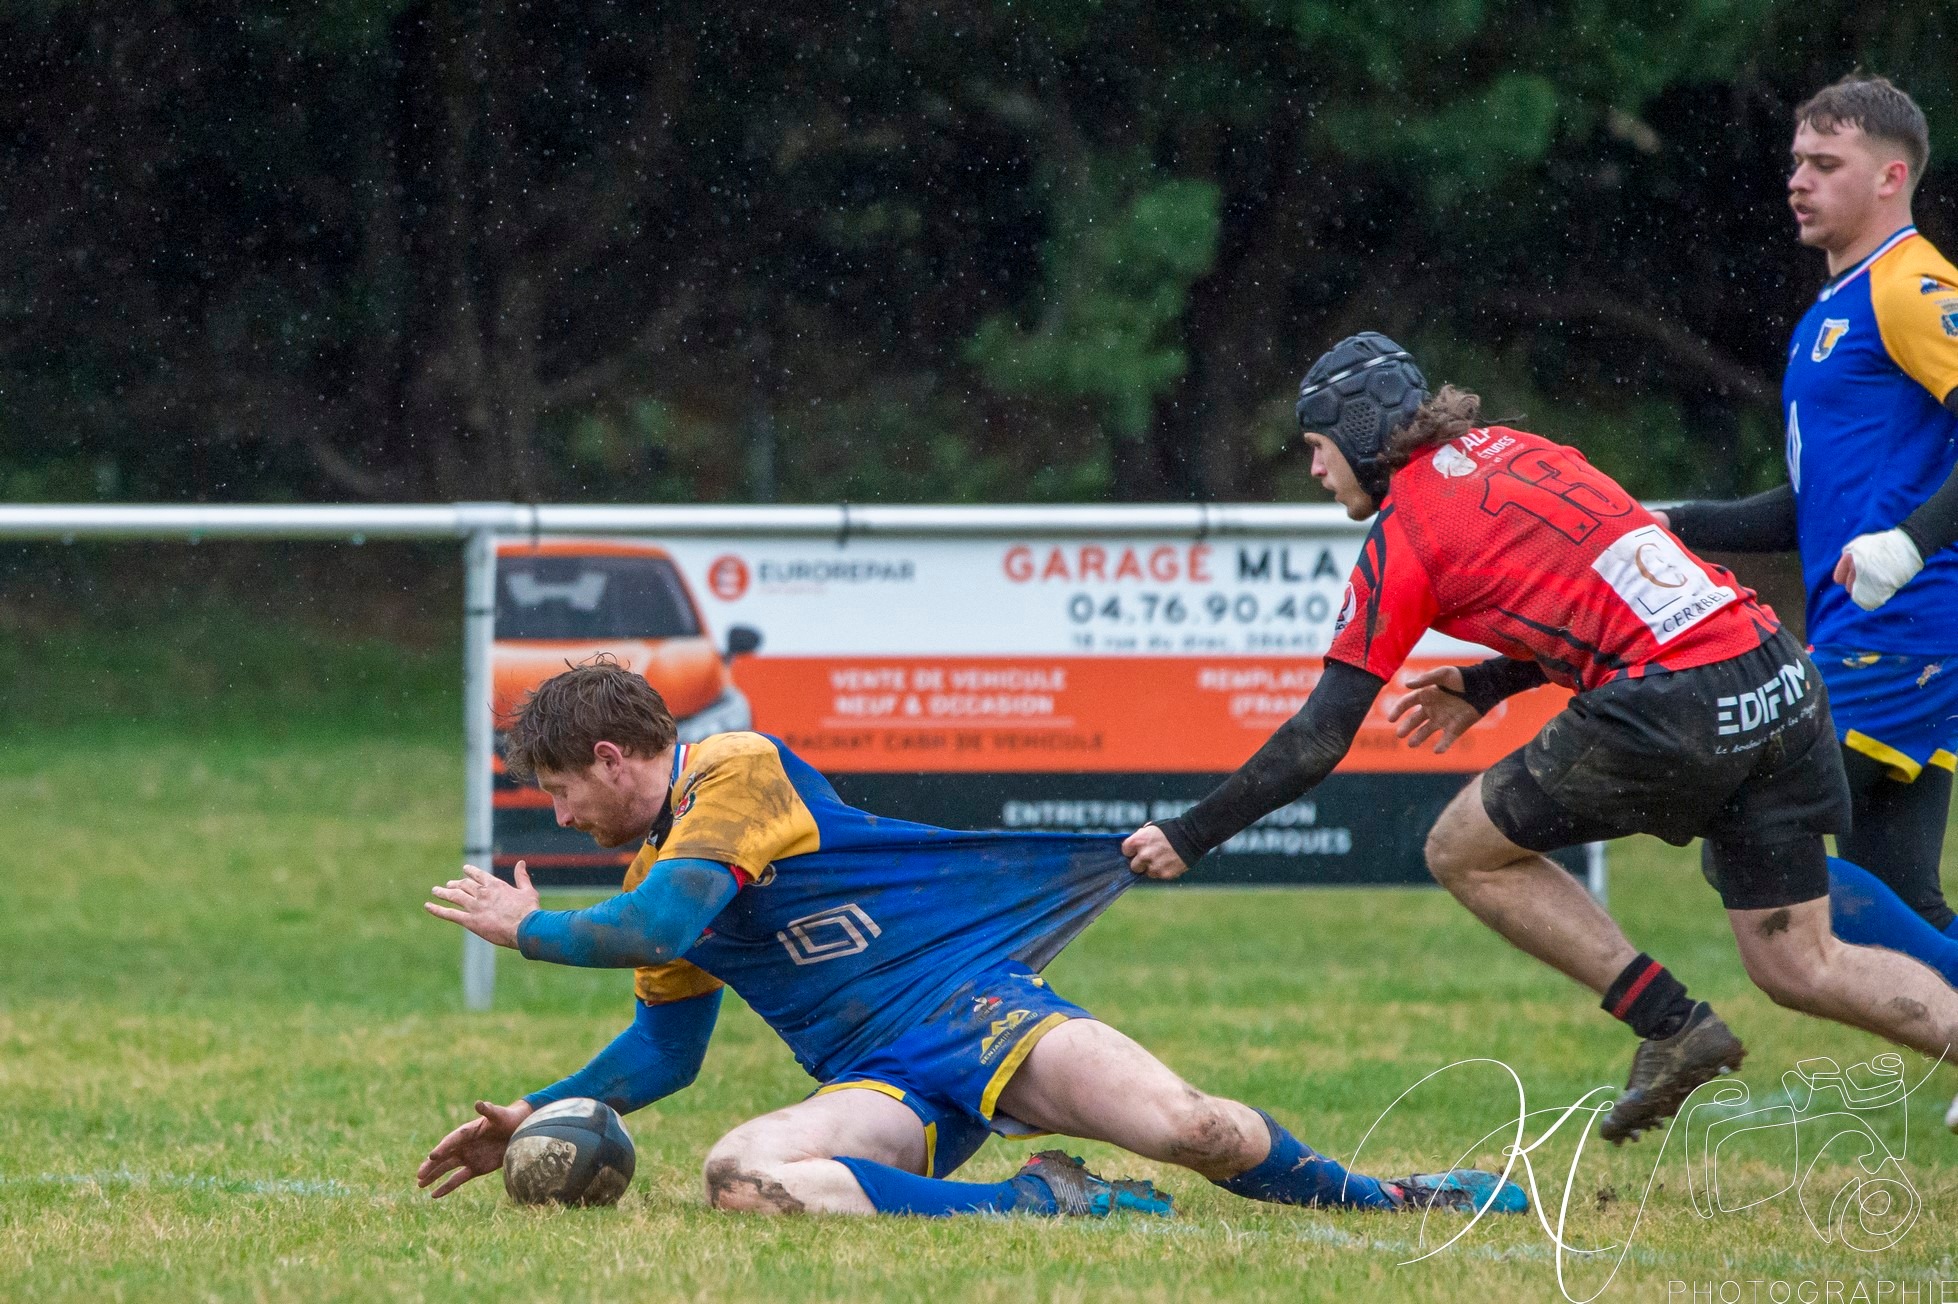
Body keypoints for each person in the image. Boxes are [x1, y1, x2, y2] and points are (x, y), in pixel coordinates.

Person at [1122, 332, 1958, 1146]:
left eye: (1317, 445)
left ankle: (1670, 1024)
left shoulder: (1406, 531)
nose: (1312, 468)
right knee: (1800, 963)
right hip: (1776, 673)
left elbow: (1318, 736)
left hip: (1676, 703)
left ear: (1360, 434)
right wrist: (1487, 683)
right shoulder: (1521, 449)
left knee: (1462, 848)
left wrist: (1191, 834)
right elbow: (1624, 574)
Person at [416, 656, 1527, 1219]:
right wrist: (548, 1108)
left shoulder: (731, 771)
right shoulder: (657, 872)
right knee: (743, 1173)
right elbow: (667, 1048)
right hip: (881, 1084)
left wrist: (530, 928)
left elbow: (653, 924)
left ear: (613, 756)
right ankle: (1049, 1202)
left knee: (1191, 1126)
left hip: (977, 1009)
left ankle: (1391, 1196)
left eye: (561, 789)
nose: (559, 816)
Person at [1657, 76, 1958, 959]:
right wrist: (1668, 522)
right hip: (1880, 631)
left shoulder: (1912, 286)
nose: (1799, 180)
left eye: (1827, 164)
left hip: (1905, 632)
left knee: (1749, 832)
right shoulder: (1832, 307)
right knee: (1903, 892)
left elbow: (1889, 523)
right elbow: (1813, 506)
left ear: (1891, 178)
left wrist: (1910, 545)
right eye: (1797, 162)